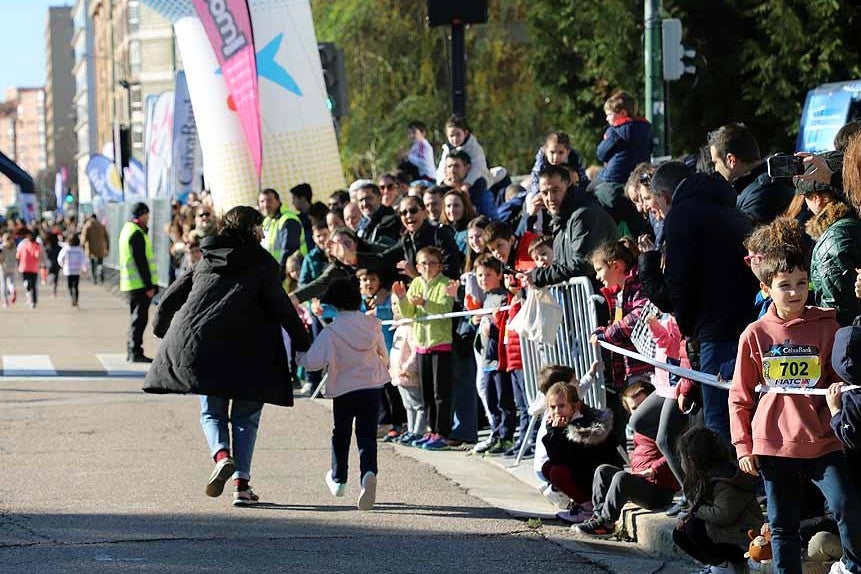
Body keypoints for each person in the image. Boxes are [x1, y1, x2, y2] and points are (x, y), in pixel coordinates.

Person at [143, 206, 311, 506]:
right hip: (251, 352)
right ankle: (242, 486)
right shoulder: (263, 263)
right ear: (251, 230)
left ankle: (221, 456)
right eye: (260, 227)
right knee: (246, 418)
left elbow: (171, 296)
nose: (263, 232)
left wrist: (162, 330)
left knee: (211, 412)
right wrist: (303, 342)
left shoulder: (208, 258)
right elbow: (281, 306)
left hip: (203, 348)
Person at [730, 247, 861, 574]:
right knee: (782, 525)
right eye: (785, 285)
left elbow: (839, 375)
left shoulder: (827, 326)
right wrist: (743, 445)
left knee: (847, 504)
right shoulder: (754, 334)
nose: (795, 292)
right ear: (766, 289)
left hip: (822, 438)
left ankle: (853, 567)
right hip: (774, 443)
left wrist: (838, 400)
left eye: (802, 283)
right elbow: (740, 395)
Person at [656, 161, 757, 446]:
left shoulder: (680, 216)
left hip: (713, 329)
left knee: (718, 420)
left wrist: (689, 327)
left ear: (665, 197)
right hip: (748, 323)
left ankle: (727, 488)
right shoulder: (734, 212)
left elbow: (679, 281)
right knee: (746, 409)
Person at [297, 277, 389, 511]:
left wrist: (299, 357)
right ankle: (368, 473)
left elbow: (313, 363)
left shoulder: (332, 331)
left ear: (334, 304)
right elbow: (384, 355)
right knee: (367, 435)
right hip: (372, 386)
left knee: (341, 433)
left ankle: (338, 479)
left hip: (344, 388)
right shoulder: (373, 324)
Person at [574, 381, 681, 538]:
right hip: (643, 484)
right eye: (635, 409)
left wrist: (653, 469)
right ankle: (599, 516)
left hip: (660, 491)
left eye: (645, 406)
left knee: (621, 477)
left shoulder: (664, 425)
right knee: (603, 470)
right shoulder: (638, 429)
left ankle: (607, 522)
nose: (641, 412)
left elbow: (676, 453)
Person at [391, 246, 459, 450]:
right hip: (421, 345)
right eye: (423, 263)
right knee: (427, 392)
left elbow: (444, 308)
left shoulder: (446, 283)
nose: (428, 267)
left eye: (432, 263)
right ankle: (431, 431)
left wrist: (425, 302)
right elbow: (409, 314)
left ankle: (442, 432)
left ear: (439, 265)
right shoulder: (417, 283)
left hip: (440, 344)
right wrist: (403, 298)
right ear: (417, 267)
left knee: (441, 393)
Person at [671, 428, 762, 574]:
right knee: (680, 533)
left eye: (681, 457)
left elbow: (723, 515)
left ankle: (723, 567)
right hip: (729, 535)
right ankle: (723, 565)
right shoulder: (705, 476)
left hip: (745, 542)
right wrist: (689, 514)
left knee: (694, 527)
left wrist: (696, 511)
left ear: (691, 460)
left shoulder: (725, 479)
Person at [589, 237, 653, 441]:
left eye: (599, 269)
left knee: (647, 421)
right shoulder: (621, 291)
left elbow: (638, 316)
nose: (597, 276)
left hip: (644, 366)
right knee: (638, 426)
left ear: (616, 266)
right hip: (630, 368)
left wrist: (607, 334)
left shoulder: (638, 284)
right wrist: (604, 330)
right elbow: (620, 321)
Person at [520, 165, 618, 288]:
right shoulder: (559, 220)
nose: (550, 198)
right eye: (545, 193)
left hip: (601, 297)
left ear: (568, 187)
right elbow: (561, 263)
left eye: (555, 190)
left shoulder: (583, 215)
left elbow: (582, 265)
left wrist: (539, 276)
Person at [541, 380, 623, 523]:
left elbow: (566, 458)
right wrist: (555, 432)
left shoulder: (585, 425)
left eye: (562, 406)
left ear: (574, 405)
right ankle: (581, 503)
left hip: (600, 477)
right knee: (547, 467)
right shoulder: (557, 423)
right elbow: (555, 456)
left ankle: (589, 508)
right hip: (582, 470)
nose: (556, 411)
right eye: (552, 407)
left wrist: (558, 432)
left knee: (557, 471)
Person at [797, 151, 861, 327]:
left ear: (816, 198)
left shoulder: (833, 238)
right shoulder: (853, 223)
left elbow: (836, 311)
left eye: (806, 199)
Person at [471, 255, 516, 455]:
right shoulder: (486, 297)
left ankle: (506, 436)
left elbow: (506, 325)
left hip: (500, 358)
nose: (483, 279)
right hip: (487, 358)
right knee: (490, 399)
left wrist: (495, 326)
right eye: (480, 275)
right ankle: (496, 433)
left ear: (499, 275)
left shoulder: (503, 297)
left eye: (488, 274)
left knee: (503, 399)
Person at [358, 195, 462, 282]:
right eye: (403, 213)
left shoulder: (440, 234)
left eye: (413, 211)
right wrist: (354, 258)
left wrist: (416, 275)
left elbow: (451, 271)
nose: (408, 216)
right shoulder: (407, 239)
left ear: (425, 213)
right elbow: (383, 259)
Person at [708, 123, 794, 225]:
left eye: (715, 162)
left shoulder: (760, 194)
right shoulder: (771, 178)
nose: (715, 169)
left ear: (731, 160)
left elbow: (744, 237)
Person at [593, 91, 653, 239]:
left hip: (614, 180)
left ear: (622, 113)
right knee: (637, 225)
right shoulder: (645, 129)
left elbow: (601, 153)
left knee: (591, 194)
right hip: (635, 181)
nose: (607, 118)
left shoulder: (615, 131)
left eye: (609, 114)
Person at [118, 202, 159, 362]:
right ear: (141, 215)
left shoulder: (127, 230)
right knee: (140, 319)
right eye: (147, 215)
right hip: (140, 285)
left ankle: (132, 349)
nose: (148, 218)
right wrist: (149, 285)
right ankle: (135, 351)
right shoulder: (136, 232)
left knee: (136, 317)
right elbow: (140, 260)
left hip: (131, 283)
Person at [389, 306, 425, 445]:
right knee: (408, 405)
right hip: (398, 374)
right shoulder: (398, 328)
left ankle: (418, 431)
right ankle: (411, 430)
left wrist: (408, 368)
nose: (396, 308)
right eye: (394, 305)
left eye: (399, 305)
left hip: (408, 374)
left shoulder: (411, 328)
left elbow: (415, 350)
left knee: (418, 405)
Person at [258, 188, 307, 281]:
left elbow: (288, 250)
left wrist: (278, 277)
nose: (265, 205)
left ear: (278, 201)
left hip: (291, 275)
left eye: (269, 200)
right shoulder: (267, 221)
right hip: (274, 274)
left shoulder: (288, 219)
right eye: (262, 201)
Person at [435, 114, 491, 193]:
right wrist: (444, 181)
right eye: (451, 136)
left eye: (458, 134)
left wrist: (466, 184)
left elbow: (477, 169)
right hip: (453, 180)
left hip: (473, 181)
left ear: (466, 133)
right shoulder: (447, 149)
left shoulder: (474, 148)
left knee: (479, 185)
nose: (455, 139)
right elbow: (441, 168)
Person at [440, 150, 497, 220]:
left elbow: (491, 221)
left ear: (467, 168)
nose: (452, 170)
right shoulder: (441, 192)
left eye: (456, 166)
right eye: (449, 166)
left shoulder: (481, 194)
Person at [355, 183, 401, 247]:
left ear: (379, 197)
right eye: (361, 200)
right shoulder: (361, 224)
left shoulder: (391, 221)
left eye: (368, 198)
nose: (364, 203)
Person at [440, 188, 478, 254]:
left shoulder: (473, 230)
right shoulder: (443, 230)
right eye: (448, 206)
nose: (452, 210)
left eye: (456, 205)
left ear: (465, 206)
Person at [57, 233, 88, 307]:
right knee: (76, 286)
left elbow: (60, 258)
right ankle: (76, 299)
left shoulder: (66, 249)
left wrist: (61, 265)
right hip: (77, 270)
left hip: (68, 269)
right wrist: (84, 268)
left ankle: (72, 297)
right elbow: (83, 260)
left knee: (69, 285)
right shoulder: (80, 249)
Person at [16, 230, 42, 309]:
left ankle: (27, 286)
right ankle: (33, 302)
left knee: (27, 282)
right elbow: (37, 256)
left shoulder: (23, 245)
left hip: (24, 267)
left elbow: (17, 256)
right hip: (33, 268)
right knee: (33, 286)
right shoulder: (37, 246)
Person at [81, 214, 109, 284]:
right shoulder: (101, 225)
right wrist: (107, 247)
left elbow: (84, 238)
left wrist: (82, 246)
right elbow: (107, 237)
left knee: (92, 264)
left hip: (90, 249)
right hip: (100, 248)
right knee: (100, 262)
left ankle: (94, 279)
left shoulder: (87, 226)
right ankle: (100, 272)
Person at [1, 232, 17, 306]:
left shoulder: (2, 247)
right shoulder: (14, 247)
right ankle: (12, 291)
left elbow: (1, 258)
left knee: (3, 285)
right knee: (11, 283)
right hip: (12, 267)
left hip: (3, 268)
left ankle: (5, 302)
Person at [43, 233, 62, 297]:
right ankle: (54, 291)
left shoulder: (48, 247)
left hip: (50, 264)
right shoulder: (59, 247)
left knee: (50, 276)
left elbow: (46, 255)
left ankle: (53, 290)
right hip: (57, 264)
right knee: (55, 278)